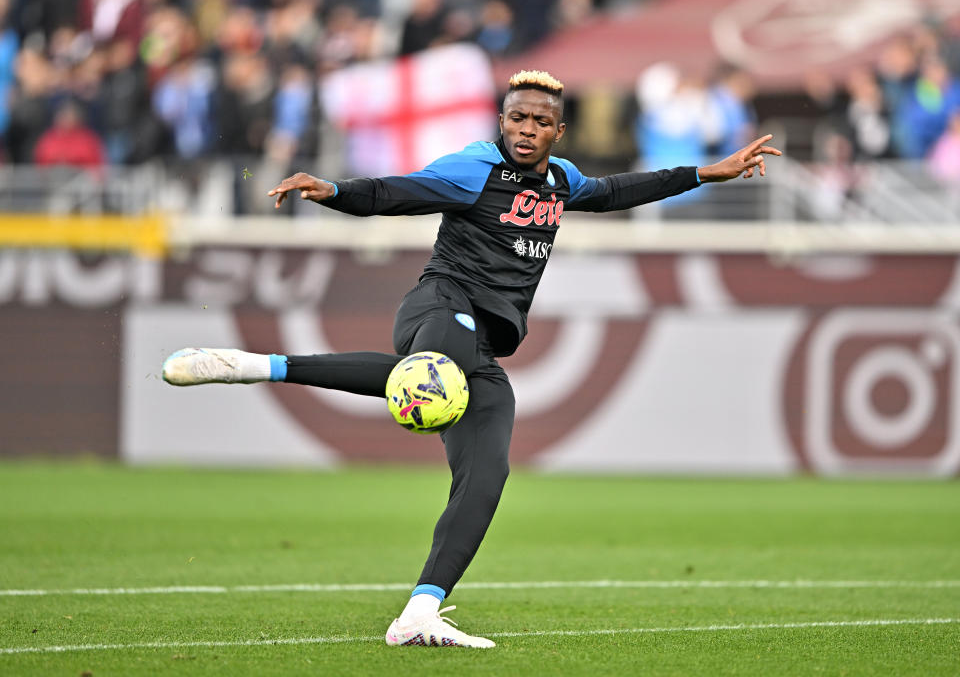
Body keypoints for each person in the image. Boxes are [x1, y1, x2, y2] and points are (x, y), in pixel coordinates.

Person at [161, 70, 781, 648]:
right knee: (434, 379)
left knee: (488, 473)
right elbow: (397, 193)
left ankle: (421, 611)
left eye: (539, 122)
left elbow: (618, 190)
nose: (525, 130)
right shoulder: (475, 168)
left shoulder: (561, 180)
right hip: (439, 306)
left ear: (557, 132)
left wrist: (705, 173)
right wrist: (334, 191)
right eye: (516, 119)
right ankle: (252, 365)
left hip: (482, 344)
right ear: (502, 121)